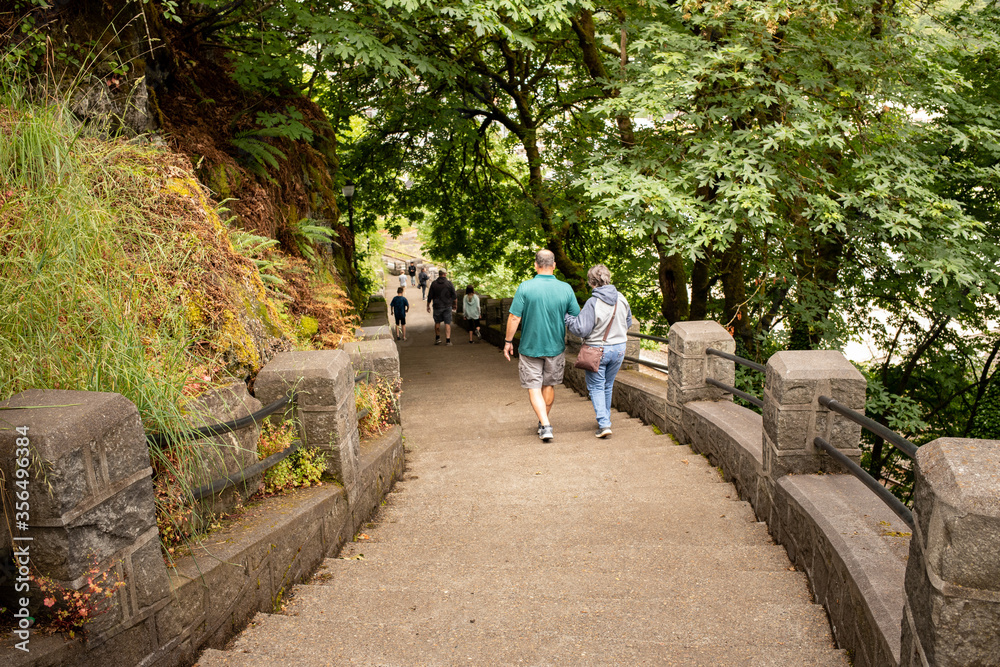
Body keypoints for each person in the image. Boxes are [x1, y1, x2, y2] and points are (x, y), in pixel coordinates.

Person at [503, 249, 580, 442]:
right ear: (554, 265)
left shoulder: (525, 287)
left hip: (530, 347)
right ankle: (544, 421)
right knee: (549, 385)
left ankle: (545, 424)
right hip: (555, 346)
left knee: (533, 386)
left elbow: (514, 317)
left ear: (535, 265)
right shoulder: (566, 288)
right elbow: (576, 316)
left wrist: (508, 342)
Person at [564, 265, 633, 438]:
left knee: (596, 386)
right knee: (607, 385)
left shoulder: (593, 302)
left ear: (590, 282)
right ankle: (606, 419)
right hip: (619, 348)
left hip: (597, 350)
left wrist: (567, 318)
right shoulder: (622, 298)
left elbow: (580, 329)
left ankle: (604, 424)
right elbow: (628, 322)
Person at [426, 269, 457, 346]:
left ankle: (438, 339)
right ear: (445, 274)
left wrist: (428, 305)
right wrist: (454, 304)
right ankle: (448, 340)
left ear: (439, 274)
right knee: (447, 323)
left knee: (437, 322)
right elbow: (454, 296)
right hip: (447, 306)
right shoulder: (449, 284)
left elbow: (430, 296)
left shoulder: (434, 284)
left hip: (437, 306)